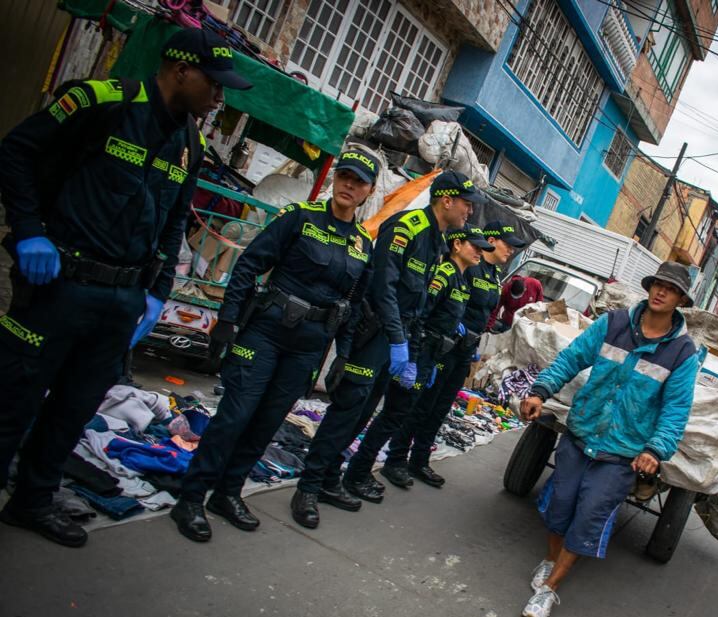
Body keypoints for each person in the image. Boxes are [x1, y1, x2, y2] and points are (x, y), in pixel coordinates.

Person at [0, 28, 251, 547]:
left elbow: (174, 221)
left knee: (73, 408)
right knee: (12, 399)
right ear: (181, 70)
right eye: (214, 84)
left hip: (121, 300)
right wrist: (28, 231)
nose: (219, 98)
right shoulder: (101, 102)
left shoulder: (191, 143)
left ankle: (32, 500)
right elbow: (17, 152)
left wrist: (156, 294)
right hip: (59, 282)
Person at [169, 151, 378, 542]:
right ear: (335, 180)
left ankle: (228, 494)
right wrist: (228, 320)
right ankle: (192, 497)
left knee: (267, 422)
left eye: (359, 181)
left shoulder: (363, 244)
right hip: (266, 333)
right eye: (345, 176)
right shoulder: (299, 217)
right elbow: (249, 264)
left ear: (369, 192)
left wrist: (342, 356)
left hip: (307, 348)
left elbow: (353, 306)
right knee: (236, 415)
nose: (350, 185)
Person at [293, 171, 485, 523]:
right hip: (373, 335)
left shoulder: (437, 241)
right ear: (447, 200)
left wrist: (409, 350)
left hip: (396, 341)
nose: (469, 212)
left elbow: (418, 303)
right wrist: (399, 341)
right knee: (346, 410)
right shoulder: (406, 227)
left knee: (364, 412)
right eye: (467, 204)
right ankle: (308, 486)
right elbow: (384, 289)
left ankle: (329, 477)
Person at [517, 261, 700, 617]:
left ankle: (549, 590)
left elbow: (676, 408)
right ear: (650, 287)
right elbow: (571, 358)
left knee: (588, 517)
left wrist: (654, 450)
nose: (661, 292)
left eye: (671, 288)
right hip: (582, 432)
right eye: (658, 284)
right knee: (561, 506)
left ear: (680, 299)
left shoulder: (682, 353)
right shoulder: (613, 324)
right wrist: (540, 390)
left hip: (622, 452)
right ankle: (552, 558)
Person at [335, 225, 493, 503]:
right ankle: (355, 472)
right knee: (392, 414)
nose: (480, 252)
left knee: (396, 415)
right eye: (475, 246)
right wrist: (414, 357)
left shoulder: (462, 280)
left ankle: (359, 469)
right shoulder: (444, 275)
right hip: (418, 353)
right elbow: (423, 315)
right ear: (457, 245)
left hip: (431, 355)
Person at [385, 220, 525, 487]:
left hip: (465, 350)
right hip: (445, 347)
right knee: (421, 405)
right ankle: (396, 459)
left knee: (439, 409)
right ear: (492, 241)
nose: (511, 251)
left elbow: (486, 313)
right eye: (508, 245)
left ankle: (419, 460)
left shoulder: (494, 275)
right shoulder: (470, 267)